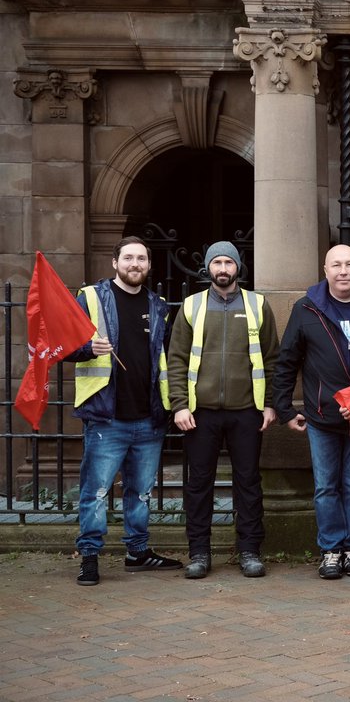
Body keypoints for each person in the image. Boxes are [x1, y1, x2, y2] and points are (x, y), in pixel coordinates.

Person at [65, 236, 181, 586]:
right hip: (106, 416)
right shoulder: (90, 297)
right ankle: (89, 557)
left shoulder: (158, 304)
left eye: (141, 259)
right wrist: (87, 348)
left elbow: (166, 358)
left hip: (149, 416)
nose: (135, 264)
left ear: (148, 265)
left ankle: (138, 552)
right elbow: (61, 346)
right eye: (128, 258)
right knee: (96, 491)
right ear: (115, 262)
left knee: (142, 492)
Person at [168, 241, 279, 580]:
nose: (223, 269)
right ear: (208, 268)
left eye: (228, 263)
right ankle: (199, 553)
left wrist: (271, 403)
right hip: (200, 414)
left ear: (238, 267)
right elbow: (176, 360)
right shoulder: (191, 306)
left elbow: (273, 359)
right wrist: (179, 405)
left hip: (247, 410)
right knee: (199, 484)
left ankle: (249, 551)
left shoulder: (258, 305)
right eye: (217, 262)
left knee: (248, 483)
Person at [272, 244, 350, 580]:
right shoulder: (306, 308)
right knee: (326, 487)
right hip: (321, 417)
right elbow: (287, 362)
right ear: (325, 269)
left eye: (349, 264)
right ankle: (331, 550)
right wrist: (285, 409)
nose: (343, 271)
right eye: (336, 265)